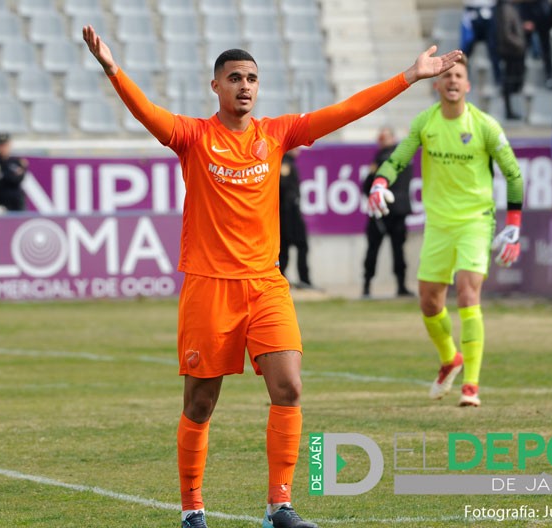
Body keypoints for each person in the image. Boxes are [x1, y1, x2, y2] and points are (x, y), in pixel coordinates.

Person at [82, 24, 462, 528]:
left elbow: (343, 112)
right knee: (200, 402)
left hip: (266, 286)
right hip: (209, 287)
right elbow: (146, 113)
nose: (244, 85)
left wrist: (409, 77)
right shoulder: (193, 137)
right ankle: (192, 509)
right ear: (214, 86)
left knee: (289, 388)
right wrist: (113, 68)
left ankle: (279, 506)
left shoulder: (277, 134)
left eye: (252, 78)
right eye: (234, 77)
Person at [369, 55, 523, 408]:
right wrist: (380, 182)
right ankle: (449, 359)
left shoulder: (485, 126)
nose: (452, 80)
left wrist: (514, 224)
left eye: (459, 75)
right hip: (438, 224)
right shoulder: (426, 122)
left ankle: (471, 384)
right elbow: (398, 159)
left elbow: (513, 174)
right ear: (436, 85)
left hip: (475, 222)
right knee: (428, 302)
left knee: (468, 295)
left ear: (467, 85)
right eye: (447, 76)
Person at [361, 126, 414, 298]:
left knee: (374, 250)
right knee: (397, 250)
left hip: (381, 212)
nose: (381, 141)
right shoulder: (404, 159)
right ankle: (401, 286)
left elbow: (367, 185)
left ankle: (367, 286)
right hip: (399, 210)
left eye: (384, 138)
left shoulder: (382, 160)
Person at [279, 148, 313, 289]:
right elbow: (284, 186)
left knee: (285, 248)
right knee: (298, 246)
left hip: (286, 213)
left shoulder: (288, 162)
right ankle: (303, 280)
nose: (298, 148)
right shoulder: (285, 163)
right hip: (288, 214)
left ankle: (284, 278)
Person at [0, 133, 29, 212]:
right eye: (1, 146)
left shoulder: (17, 162)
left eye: (5, 145)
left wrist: (0, 176)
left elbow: (17, 179)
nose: (3, 148)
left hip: (15, 204)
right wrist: (10, 176)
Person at [496, 0, 527, 119]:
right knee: (509, 83)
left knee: (514, 83)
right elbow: (507, 33)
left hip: (513, 52)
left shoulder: (510, 8)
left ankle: (513, 111)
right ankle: (510, 112)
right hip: (511, 53)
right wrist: (521, 44)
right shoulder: (506, 9)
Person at [518, 0, 552, 88]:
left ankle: (549, 75)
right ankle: (519, 77)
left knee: (546, 49)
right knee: (522, 48)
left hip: (541, 13)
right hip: (526, 11)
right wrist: (524, 20)